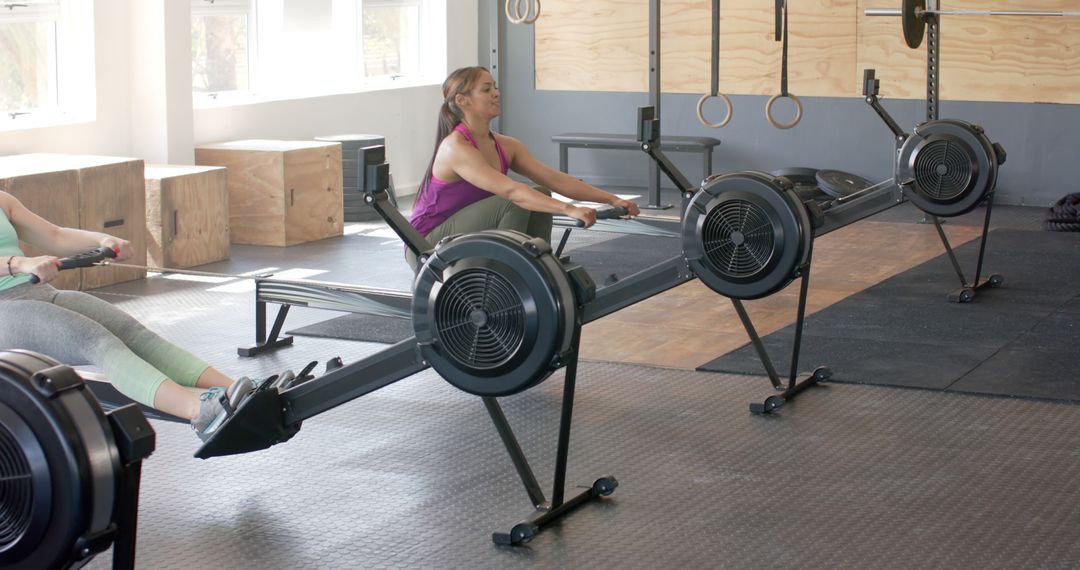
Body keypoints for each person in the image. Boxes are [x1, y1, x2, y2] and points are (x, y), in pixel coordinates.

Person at [0, 190, 253, 440]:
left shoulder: (3, 199)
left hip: (38, 292)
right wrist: (18, 263)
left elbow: (55, 236)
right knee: (97, 342)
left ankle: (238, 390)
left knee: (134, 334)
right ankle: (199, 409)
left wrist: (102, 240)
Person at [407, 66, 641, 268]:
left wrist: (612, 199)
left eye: (495, 87)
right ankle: (505, 273)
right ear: (462, 100)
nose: (496, 93)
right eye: (486, 90)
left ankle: (536, 267)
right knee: (513, 202)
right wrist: (568, 209)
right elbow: (511, 191)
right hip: (426, 243)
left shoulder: (506, 145)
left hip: (461, 232)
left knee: (539, 192)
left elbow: (556, 179)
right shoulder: (455, 147)